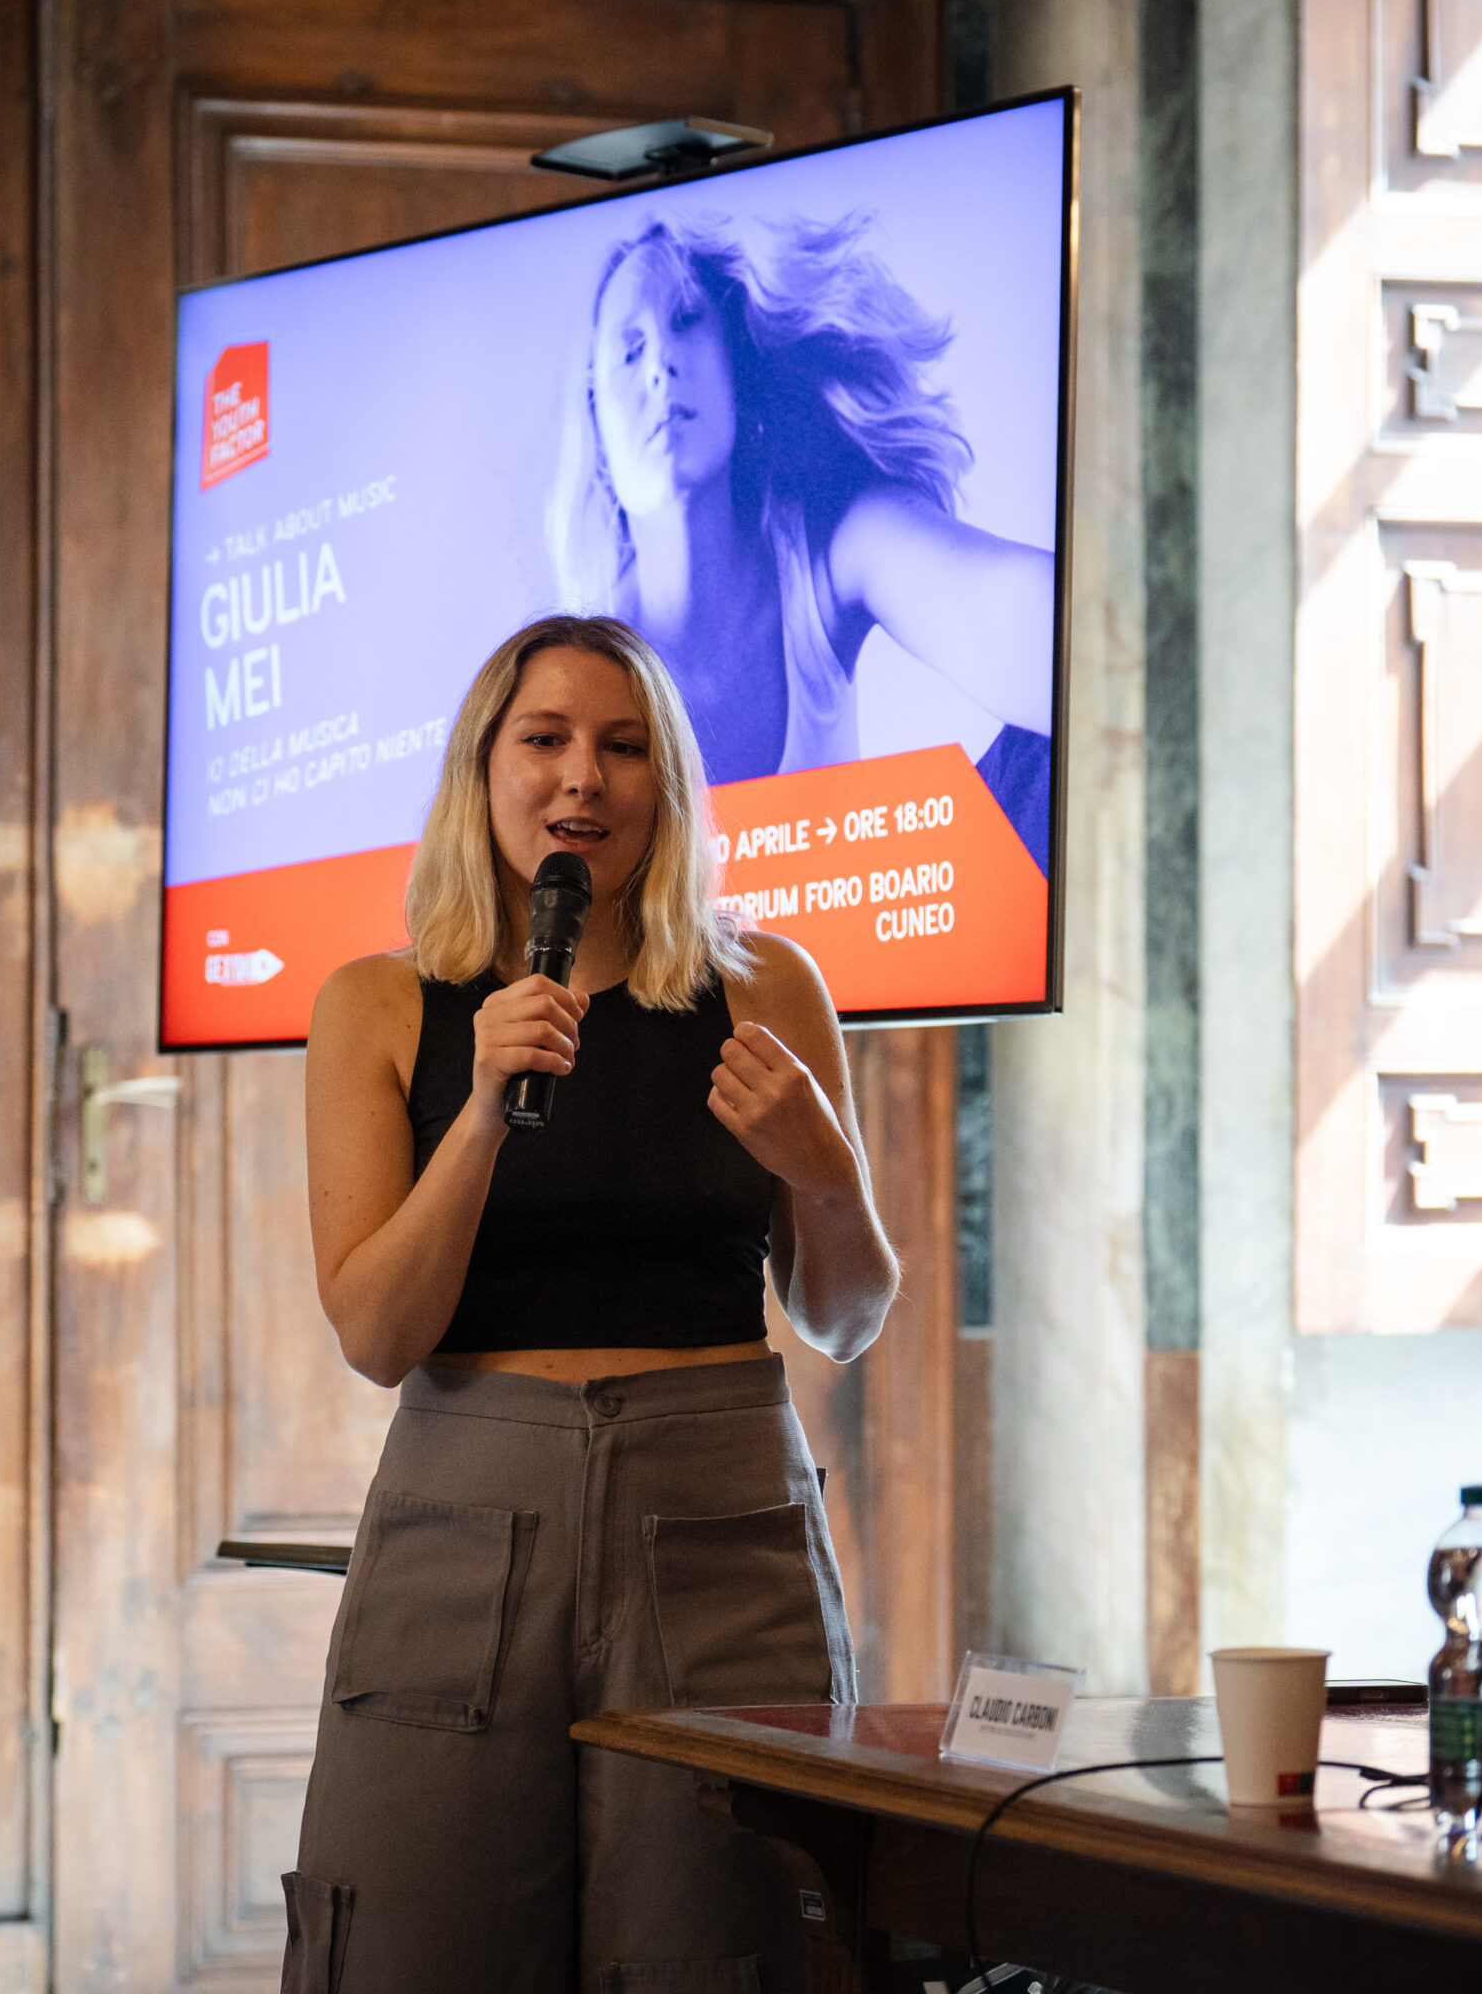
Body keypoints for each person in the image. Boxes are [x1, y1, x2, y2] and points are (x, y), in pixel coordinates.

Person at [286, 614, 900, 1993]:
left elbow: (847, 1317)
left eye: (626, 747)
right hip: (465, 1524)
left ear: (668, 786)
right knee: (415, 1946)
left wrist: (823, 1171)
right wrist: (482, 1121)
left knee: (723, 1948)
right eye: (546, 741)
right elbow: (378, 1335)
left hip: (719, 1526)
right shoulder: (381, 1005)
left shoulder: (764, 987)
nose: (585, 780)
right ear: (480, 771)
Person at [547, 214, 1056, 871]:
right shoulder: (576, 664)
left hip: (858, 955)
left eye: (683, 322)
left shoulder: (829, 544)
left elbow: (1045, 633)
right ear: (596, 423)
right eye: (628, 350)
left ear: (735, 364)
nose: (660, 366)